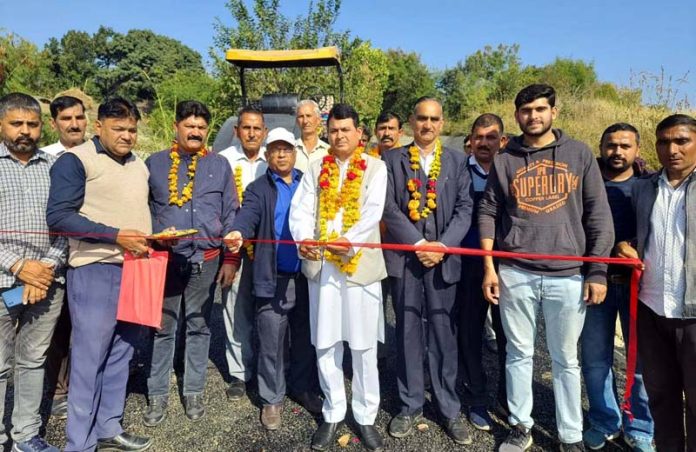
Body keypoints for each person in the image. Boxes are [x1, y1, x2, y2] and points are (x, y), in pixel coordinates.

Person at [478, 84, 614, 452]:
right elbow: (489, 211)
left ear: (554, 111)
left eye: (540, 109)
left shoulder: (579, 154)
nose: (533, 116)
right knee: (518, 354)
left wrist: (597, 270)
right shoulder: (506, 159)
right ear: (517, 115)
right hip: (516, 271)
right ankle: (521, 425)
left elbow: (598, 215)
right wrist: (490, 268)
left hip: (567, 275)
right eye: (525, 110)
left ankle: (569, 434)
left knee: (565, 359)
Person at [47, 96, 153, 452]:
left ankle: (108, 427)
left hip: (139, 269)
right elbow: (59, 216)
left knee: (122, 352)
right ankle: (79, 443)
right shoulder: (75, 161)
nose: (127, 136)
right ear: (99, 127)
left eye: (132, 130)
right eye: (119, 129)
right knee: (88, 359)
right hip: (96, 269)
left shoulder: (139, 164)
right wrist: (115, 235)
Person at [289, 104, 388, 451]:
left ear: (359, 133)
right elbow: (300, 210)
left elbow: (373, 211)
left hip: (359, 265)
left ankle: (366, 417)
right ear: (327, 133)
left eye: (346, 129)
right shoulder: (316, 168)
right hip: (324, 269)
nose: (340, 135)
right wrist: (304, 240)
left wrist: (348, 241)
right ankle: (333, 412)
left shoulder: (376, 168)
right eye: (334, 130)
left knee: (363, 347)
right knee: (326, 342)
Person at [381, 97, 474, 445]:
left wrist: (441, 246)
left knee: (442, 334)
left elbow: (465, 209)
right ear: (411, 120)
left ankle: (449, 408)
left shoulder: (457, 160)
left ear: (442, 122)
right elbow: (388, 207)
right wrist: (419, 245)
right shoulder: (391, 160)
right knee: (406, 332)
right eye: (421, 118)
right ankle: (409, 405)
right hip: (407, 259)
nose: (428, 125)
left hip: (443, 260)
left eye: (434, 119)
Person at [142, 100, 237, 426]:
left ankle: (193, 390)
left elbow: (230, 215)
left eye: (201, 126)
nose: (195, 131)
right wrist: (155, 235)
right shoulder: (153, 164)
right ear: (176, 127)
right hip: (166, 260)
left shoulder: (219, 165)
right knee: (163, 328)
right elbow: (143, 210)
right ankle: (157, 395)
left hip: (207, 260)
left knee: (199, 327)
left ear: (207, 130)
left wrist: (230, 260)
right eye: (189, 125)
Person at [226, 127, 320, 430]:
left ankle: (300, 386)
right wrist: (239, 231)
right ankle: (271, 398)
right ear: (267, 155)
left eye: (287, 149)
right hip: (273, 275)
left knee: (305, 338)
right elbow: (248, 214)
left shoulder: (309, 182)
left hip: (307, 274)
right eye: (276, 150)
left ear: (295, 153)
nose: (282, 154)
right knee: (271, 341)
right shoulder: (258, 188)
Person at [616, 114, 696, 451]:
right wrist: (623, 246)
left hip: (693, 315)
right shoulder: (643, 188)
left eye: (682, 141)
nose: (672, 150)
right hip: (651, 309)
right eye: (664, 142)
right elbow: (640, 235)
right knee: (660, 397)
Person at [580, 123, 654, 451]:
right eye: (611, 145)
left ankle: (639, 427)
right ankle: (604, 419)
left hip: (640, 286)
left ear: (637, 150)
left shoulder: (650, 186)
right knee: (595, 359)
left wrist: (633, 246)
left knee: (640, 364)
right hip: (596, 282)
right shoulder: (585, 182)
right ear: (601, 147)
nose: (618, 152)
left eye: (625, 146)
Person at [0, 92, 66, 452]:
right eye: (17, 123)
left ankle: (26, 435)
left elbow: (67, 223)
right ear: (1, 125)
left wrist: (46, 269)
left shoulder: (55, 166)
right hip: (4, 280)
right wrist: (21, 267)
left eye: (32, 124)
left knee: (32, 360)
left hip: (48, 283)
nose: (25, 131)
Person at [457, 113, 509, 432]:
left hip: (507, 265)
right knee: (469, 332)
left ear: (502, 141)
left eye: (492, 137)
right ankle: (477, 397)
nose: (485, 143)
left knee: (508, 336)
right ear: (471, 140)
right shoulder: (459, 171)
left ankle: (508, 397)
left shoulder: (513, 171)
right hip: (467, 266)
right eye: (479, 137)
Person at [42, 95, 88, 421]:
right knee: (58, 327)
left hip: (93, 255)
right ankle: (59, 391)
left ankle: (86, 384)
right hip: (57, 257)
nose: (74, 124)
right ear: (54, 123)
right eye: (66, 118)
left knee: (89, 327)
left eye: (79, 117)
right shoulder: (45, 159)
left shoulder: (99, 153)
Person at [219, 106, 268, 401]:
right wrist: (228, 256)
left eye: (257, 128)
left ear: (264, 132)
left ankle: (269, 369)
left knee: (269, 313)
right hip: (234, 251)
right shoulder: (223, 161)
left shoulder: (275, 159)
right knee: (235, 311)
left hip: (267, 250)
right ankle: (240, 373)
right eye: (246, 128)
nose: (251, 133)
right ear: (236, 131)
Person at [293, 99, 329, 173]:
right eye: (301, 116)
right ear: (297, 121)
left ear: (318, 119)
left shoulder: (328, 151)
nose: (305, 121)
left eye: (308, 116)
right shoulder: (290, 150)